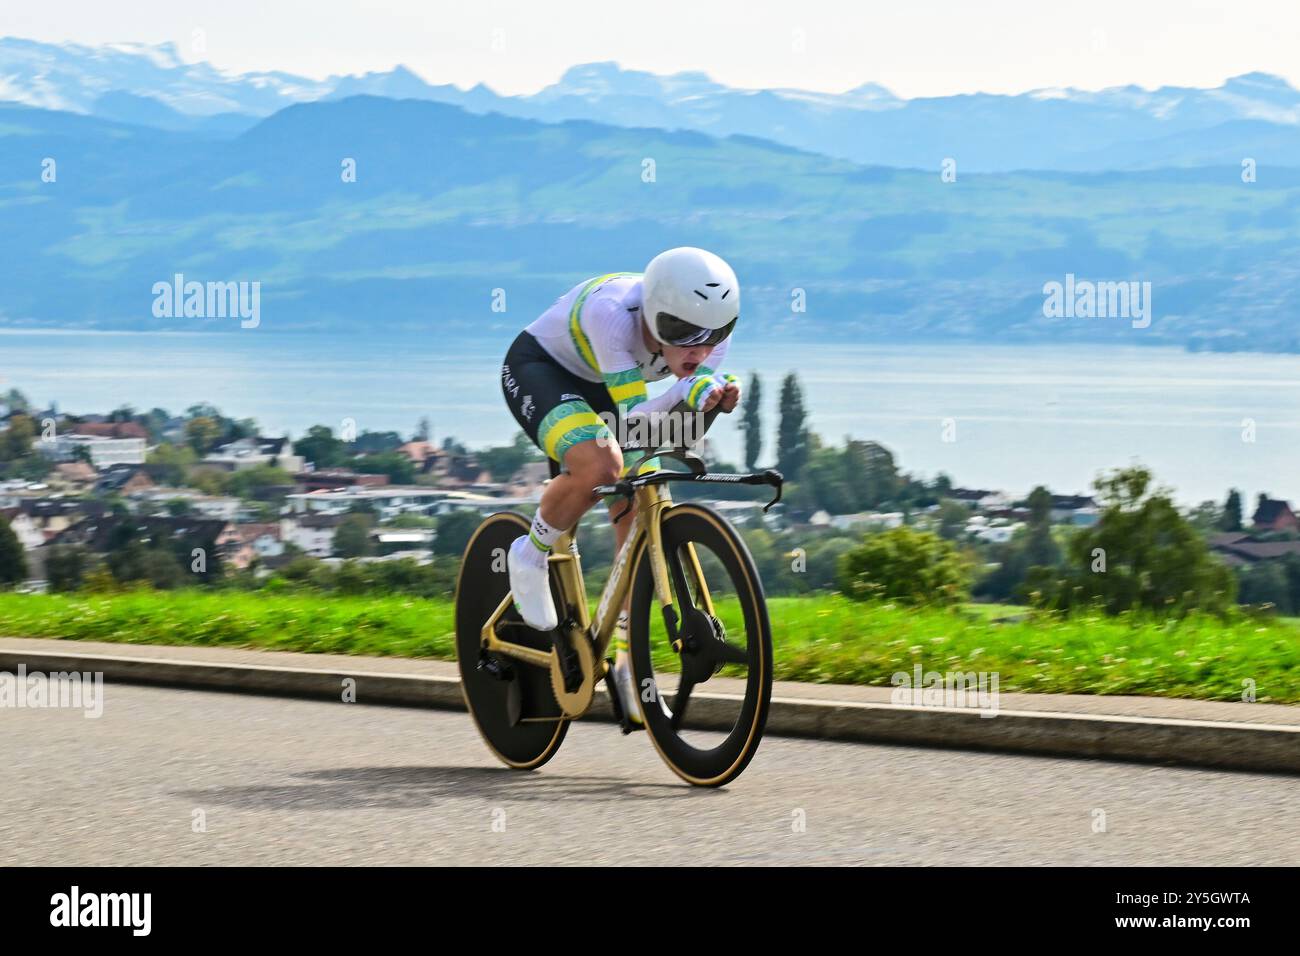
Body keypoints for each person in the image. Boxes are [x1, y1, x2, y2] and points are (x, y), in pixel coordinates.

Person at [499, 247, 742, 723]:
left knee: (640, 497)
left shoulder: (709, 336)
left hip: (610, 385)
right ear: (652, 314)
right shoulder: (613, 314)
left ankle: (629, 662)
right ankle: (528, 554)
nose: (699, 350)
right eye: (682, 333)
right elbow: (632, 423)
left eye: (713, 337)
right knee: (601, 467)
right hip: (544, 370)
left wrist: (708, 403)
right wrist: (687, 393)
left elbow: (672, 428)